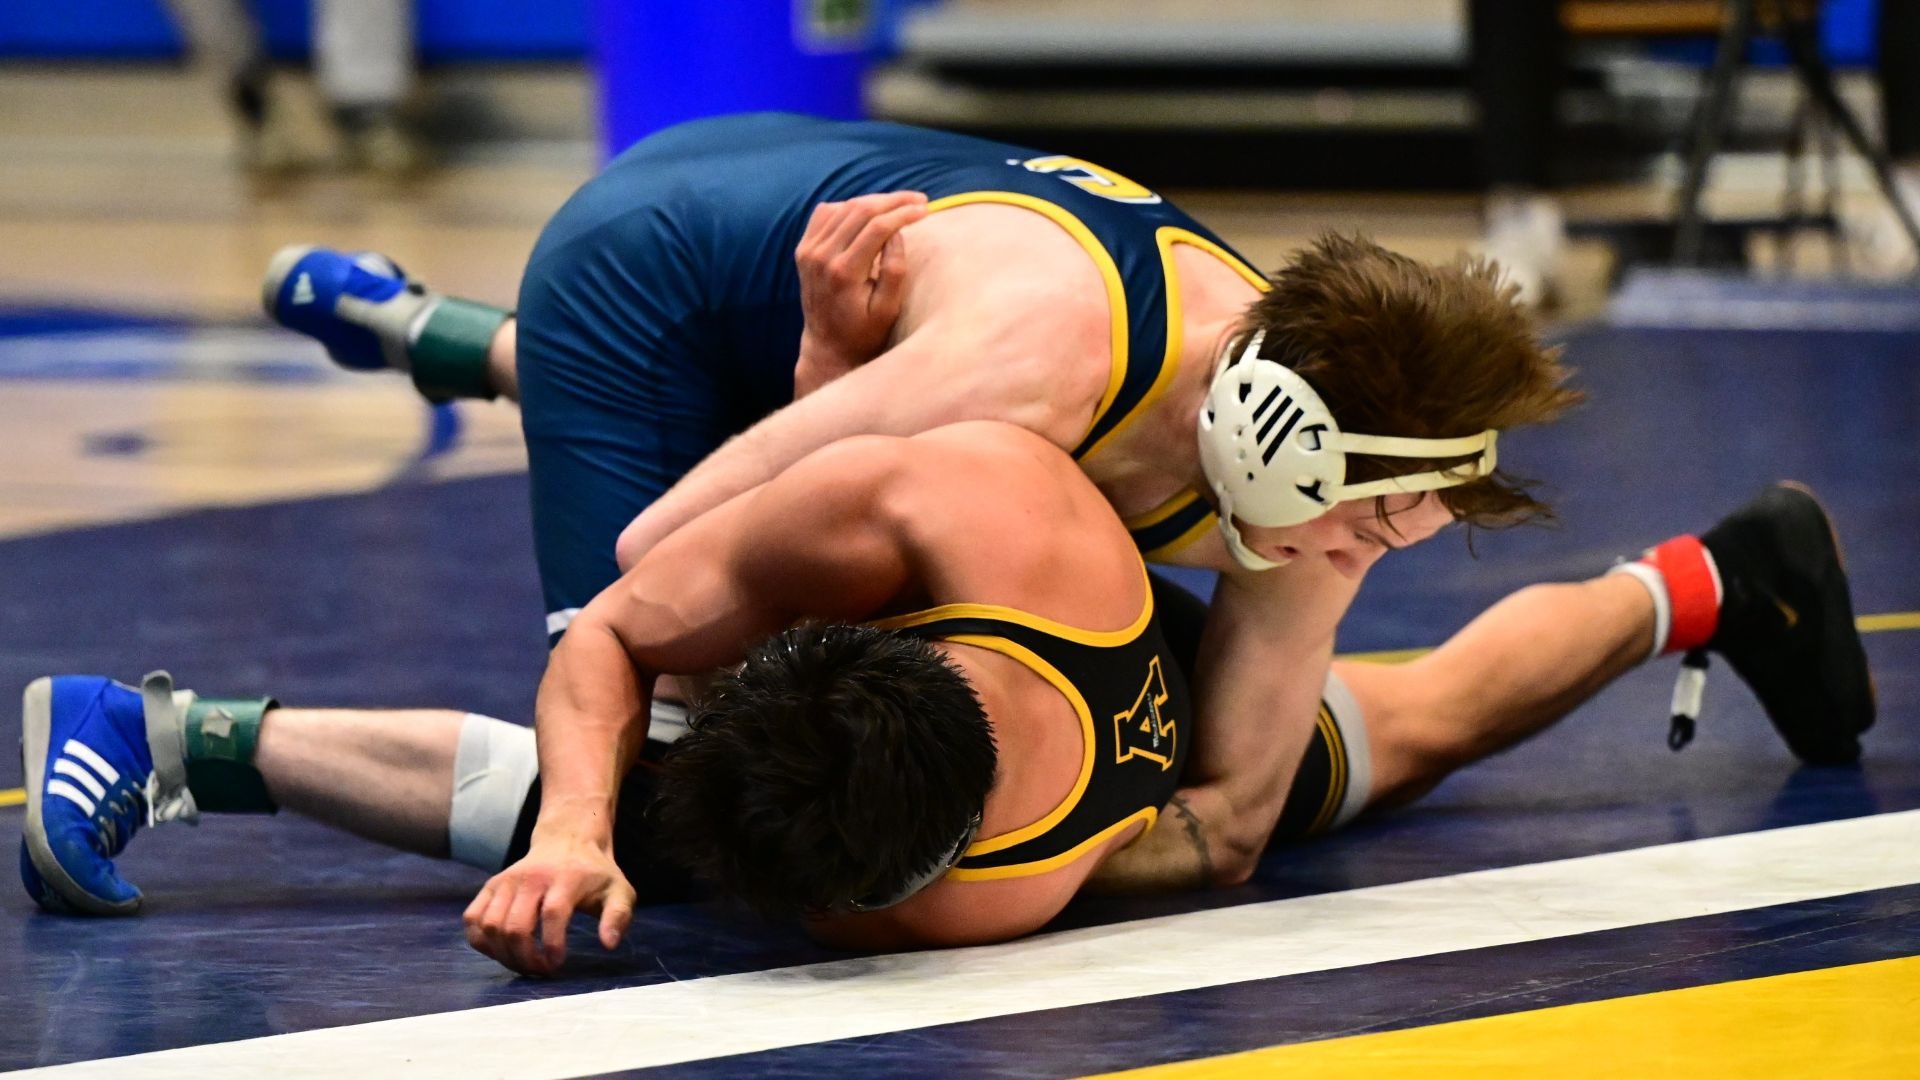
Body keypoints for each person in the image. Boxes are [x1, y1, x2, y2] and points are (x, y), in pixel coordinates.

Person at [256, 114, 1870, 897]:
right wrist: (826, 367)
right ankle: (198, 739)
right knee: (687, 778)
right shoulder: (1026, 379)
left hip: (887, 344)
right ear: (1286, 449)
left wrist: (1055, 837)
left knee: (1298, 765)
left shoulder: (1314, 452)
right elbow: (653, 561)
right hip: (662, 283)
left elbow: (1234, 819)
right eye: (1373, 524)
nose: (1375, 556)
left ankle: (449, 343)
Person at [24, 423, 1204, 971]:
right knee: (611, 713)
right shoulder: (946, 506)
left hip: (858, 502)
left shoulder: (956, 906)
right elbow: (612, 623)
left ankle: (165, 737)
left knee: (647, 829)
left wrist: (594, 838)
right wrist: (571, 828)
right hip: (688, 303)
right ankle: (478, 343)